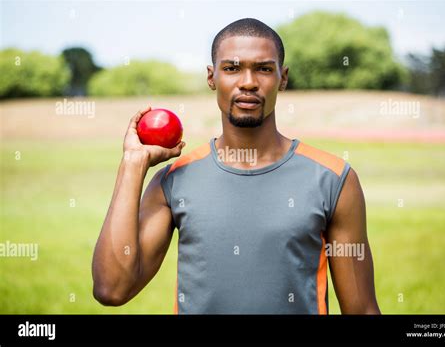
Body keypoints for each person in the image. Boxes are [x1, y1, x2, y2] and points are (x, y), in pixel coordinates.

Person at [92, 18, 380, 314]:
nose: (248, 82)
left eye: (264, 69)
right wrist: (132, 164)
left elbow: (362, 310)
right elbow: (111, 289)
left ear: (283, 77)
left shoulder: (333, 179)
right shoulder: (174, 181)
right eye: (231, 68)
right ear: (211, 77)